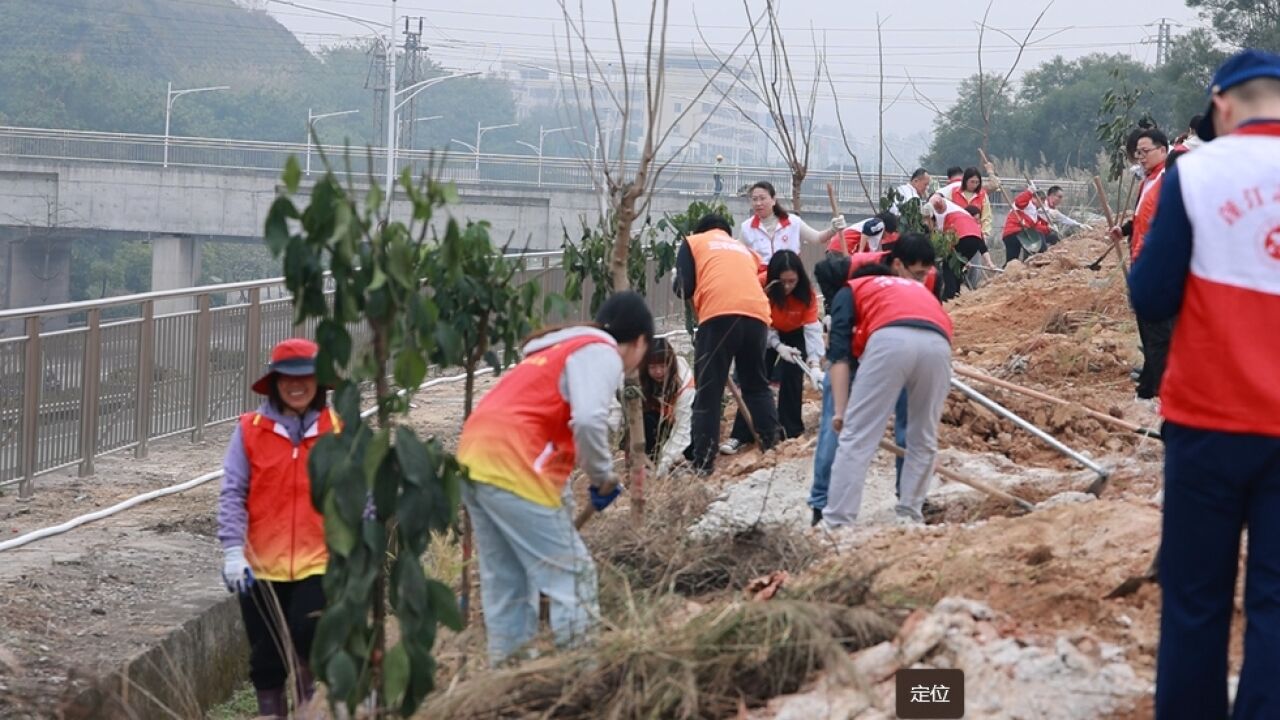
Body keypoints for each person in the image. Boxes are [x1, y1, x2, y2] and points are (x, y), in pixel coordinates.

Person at [1130, 48, 1280, 720]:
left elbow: (1153, 293)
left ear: (1221, 105)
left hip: (1209, 421)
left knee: (1196, 600)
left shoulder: (1196, 173)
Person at [456, 291, 654, 666]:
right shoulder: (601, 350)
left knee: (507, 581)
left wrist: (569, 497)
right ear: (641, 340)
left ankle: (510, 679)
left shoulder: (552, 352)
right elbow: (589, 420)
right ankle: (579, 679)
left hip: (475, 457)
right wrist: (602, 478)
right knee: (573, 575)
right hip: (515, 462)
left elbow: (547, 426)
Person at [217, 338, 336, 718]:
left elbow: (359, 494)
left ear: (318, 382)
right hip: (259, 566)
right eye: (286, 378)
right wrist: (233, 550)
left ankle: (307, 709)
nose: (296, 385)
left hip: (320, 561)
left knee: (306, 635)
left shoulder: (339, 431)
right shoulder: (250, 431)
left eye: (304, 377)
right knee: (265, 658)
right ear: (273, 383)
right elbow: (233, 492)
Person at [808, 234, 940, 526]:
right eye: (915, 273)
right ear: (896, 265)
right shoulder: (850, 274)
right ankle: (824, 502)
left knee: (863, 434)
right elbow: (840, 354)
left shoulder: (927, 280)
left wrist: (844, 414)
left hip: (889, 344)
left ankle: (847, 518)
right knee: (843, 428)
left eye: (924, 274)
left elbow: (838, 354)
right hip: (898, 345)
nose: (920, 280)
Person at [676, 214, 782, 474]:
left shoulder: (693, 242)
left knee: (708, 393)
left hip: (719, 316)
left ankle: (703, 462)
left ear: (701, 230)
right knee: (756, 385)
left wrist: (676, 281)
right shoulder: (746, 251)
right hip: (757, 317)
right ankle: (773, 446)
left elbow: (684, 288)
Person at [723, 250, 823, 451]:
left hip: (796, 332)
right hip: (764, 330)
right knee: (755, 378)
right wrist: (778, 346)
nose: (787, 287)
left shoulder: (806, 294)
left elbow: (812, 330)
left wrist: (814, 364)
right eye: (782, 282)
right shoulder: (760, 285)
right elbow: (759, 323)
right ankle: (742, 435)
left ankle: (790, 431)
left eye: (792, 281)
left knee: (792, 376)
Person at [1111, 127, 1171, 401]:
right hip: (1141, 259)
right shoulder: (1147, 181)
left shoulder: (1168, 180)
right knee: (1146, 327)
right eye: (1138, 153)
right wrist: (1123, 230)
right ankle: (1150, 381)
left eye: (1145, 152)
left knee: (1158, 330)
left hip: (1158, 264)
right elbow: (1140, 219)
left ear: (1163, 149)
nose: (1141, 157)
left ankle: (1159, 388)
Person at [738, 181, 845, 266]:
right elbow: (738, 252)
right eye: (754, 199)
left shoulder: (793, 221)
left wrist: (833, 229)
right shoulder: (746, 227)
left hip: (790, 274)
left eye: (762, 198)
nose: (758, 203)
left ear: (774, 200)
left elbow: (817, 238)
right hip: (760, 279)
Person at [639, 337, 695, 476]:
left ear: (670, 363)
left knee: (694, 445)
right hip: (662, 422)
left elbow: (682, 427)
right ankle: (650, 462)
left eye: (662, 366)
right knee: (646, 419)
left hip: (686, 423)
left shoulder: (684, 384)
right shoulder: (641, 379)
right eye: (652, 367)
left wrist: (665, 463)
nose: (658, 372)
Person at [927, 193, 995, 300]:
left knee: (948, 266)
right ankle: (956, 294)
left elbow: (936, 197)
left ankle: (949, 296)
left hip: (962, 236)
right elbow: (981, 244)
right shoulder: (961, 216)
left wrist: (927, 207)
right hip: (974, 239)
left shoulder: (942, 206)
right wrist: (989, 262)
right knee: (956, 267)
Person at [999, 184, 1050, 266]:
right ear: (1034, 198)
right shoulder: (1027, 204)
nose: (1042, 203)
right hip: (1013, 233)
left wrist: (1048, 228)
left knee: (1015, 258)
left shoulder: (1033, 212)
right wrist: (1029, 192)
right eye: (1041, 200)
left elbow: (1035, 226)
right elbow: (1019, 201)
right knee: (1012, 259)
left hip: (1022, 234)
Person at [950, 167, 994, 241]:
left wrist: (985, 233)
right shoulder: (954, 193)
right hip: (957, 233)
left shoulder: (982, 195)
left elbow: (986, 216)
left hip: (976, 233)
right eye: (972, 182)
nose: (974, 185)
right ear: (965, 180)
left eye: (977, 182)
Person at [826, 213, 898, 255]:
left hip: (834, 248)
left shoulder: (873, 235)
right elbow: (867, 229)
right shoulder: (879, 223)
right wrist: (860, 252)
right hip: (843, 249)